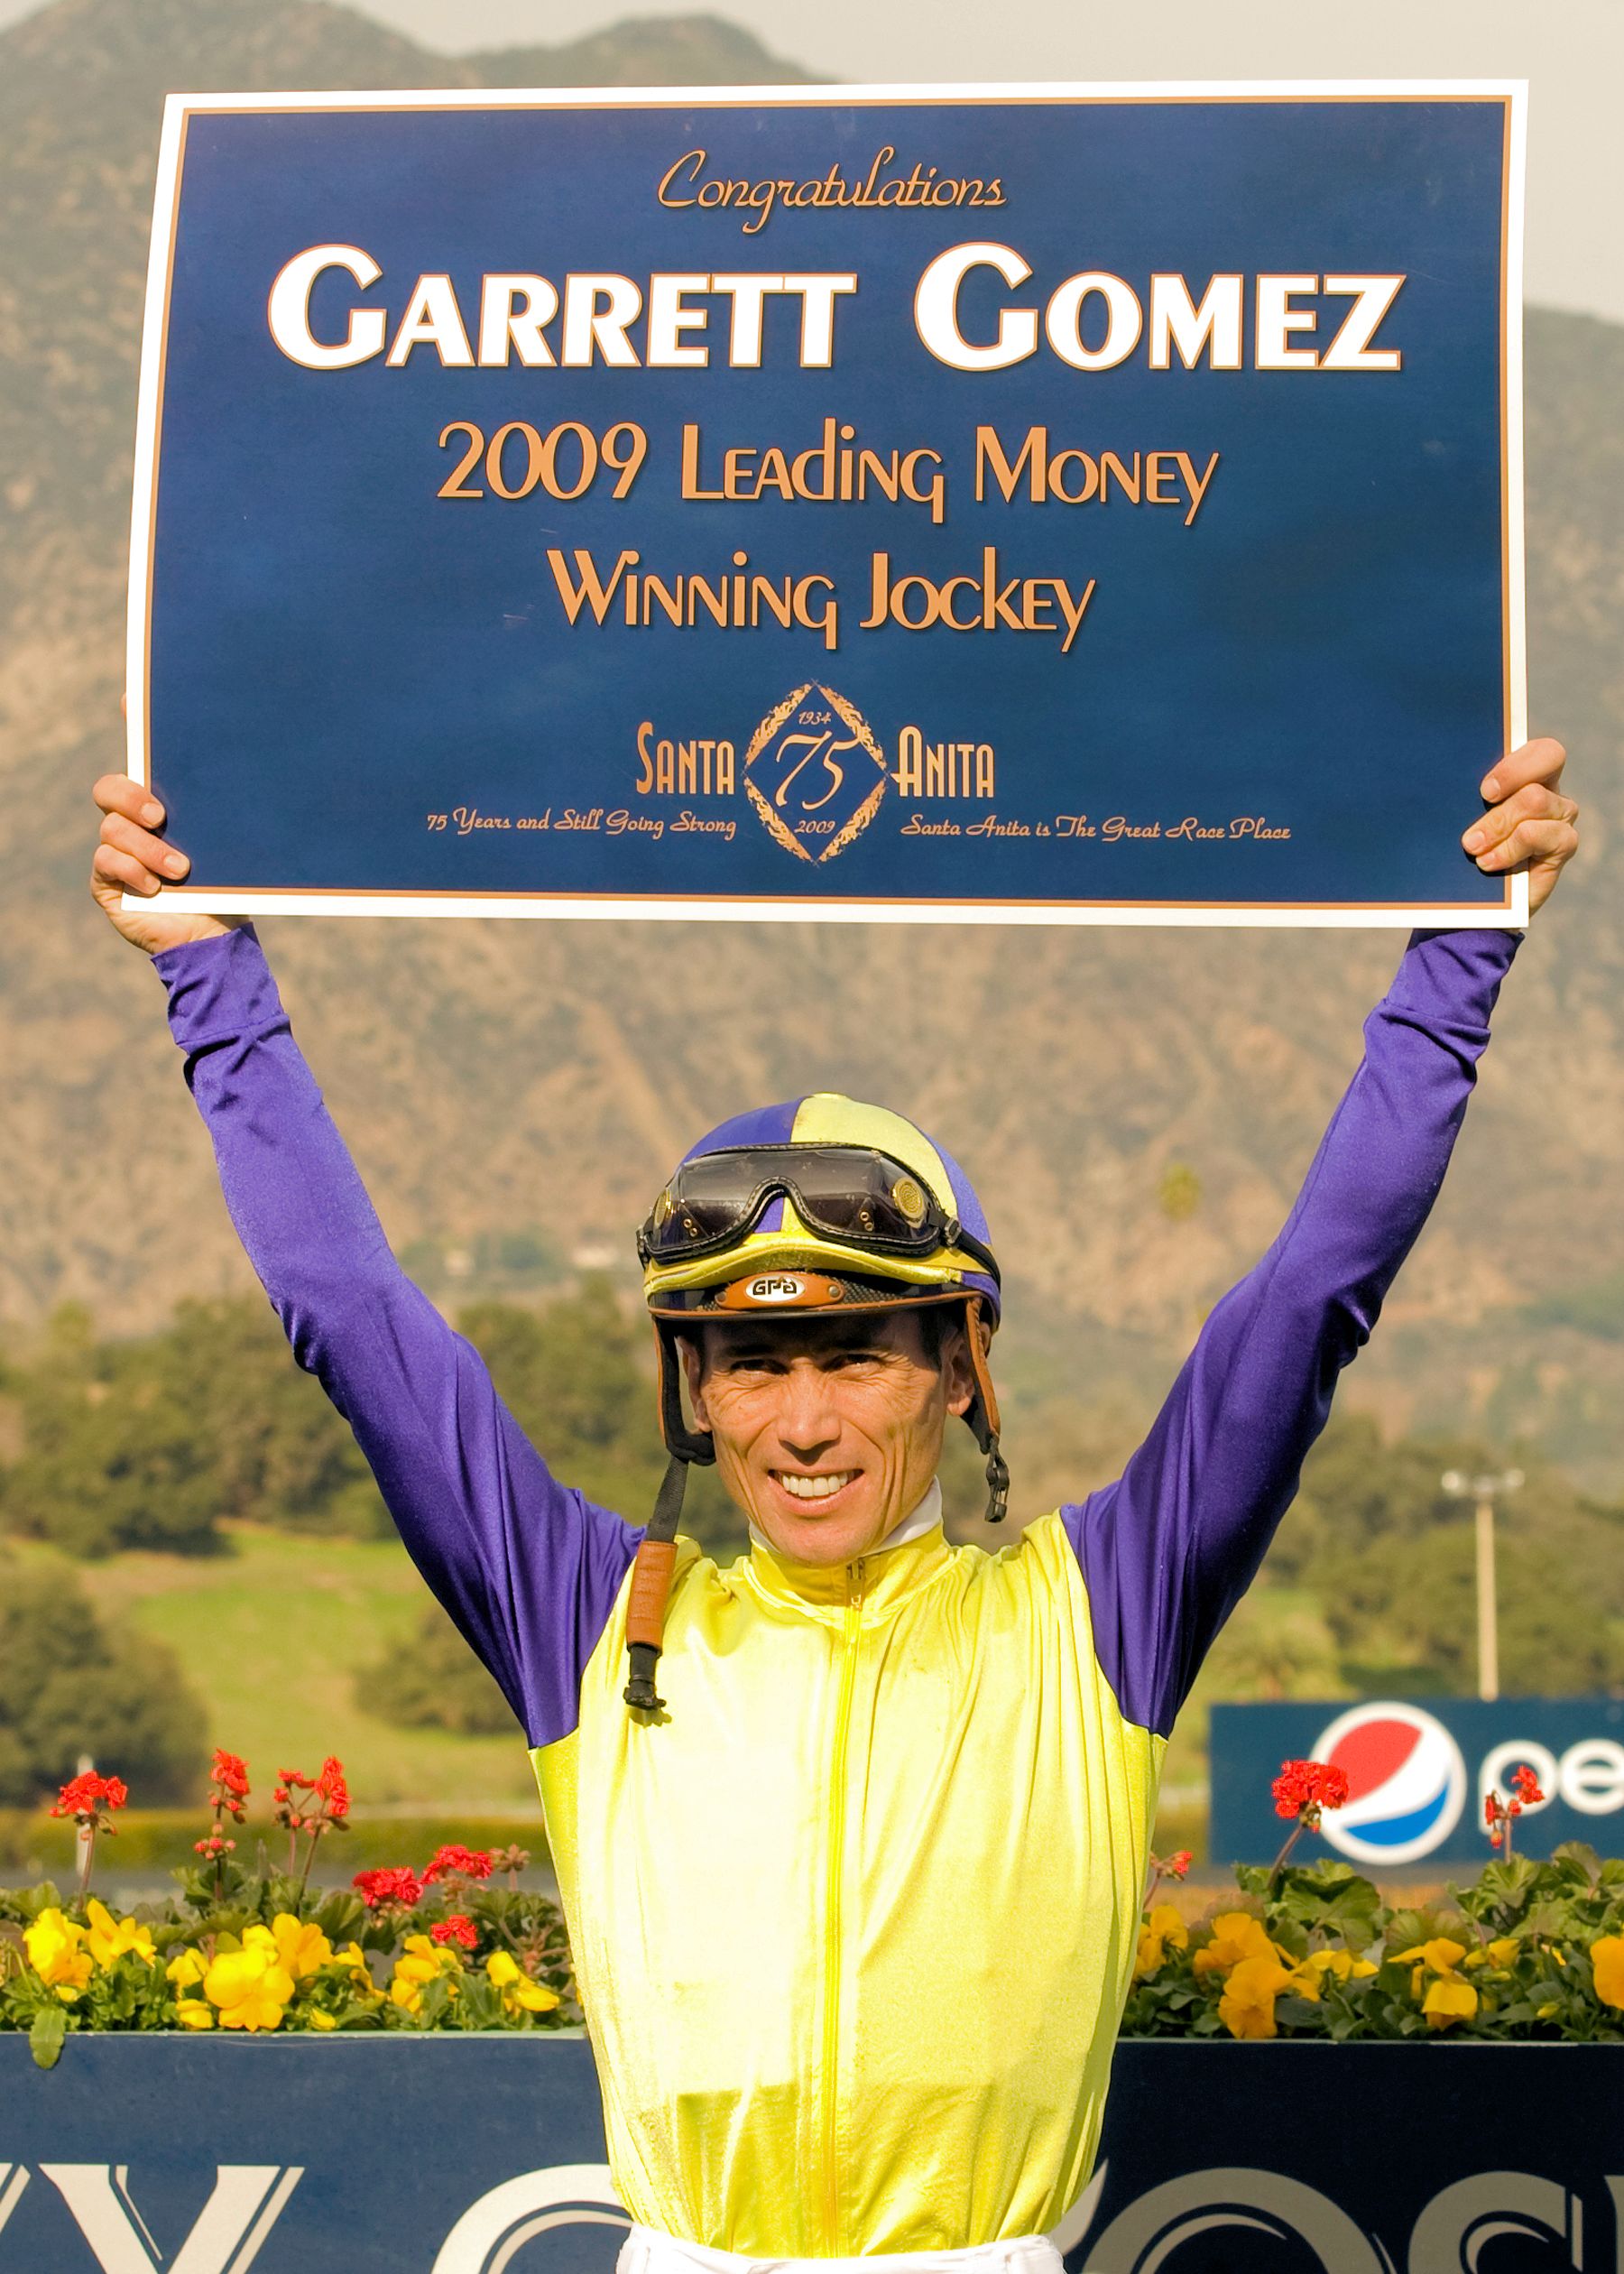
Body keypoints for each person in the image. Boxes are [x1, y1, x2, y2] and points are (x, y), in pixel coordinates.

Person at [91, 743, 1577, 2271]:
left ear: (961, 1370)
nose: (803, 1423)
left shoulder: (1102, 1611)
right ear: (695, 1391)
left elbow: (1314, 1294)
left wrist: (1462, 948)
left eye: (859, 1355)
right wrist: (208, 970)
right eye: (752, 1363)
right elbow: (352, 1318)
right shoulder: (585, 1618)